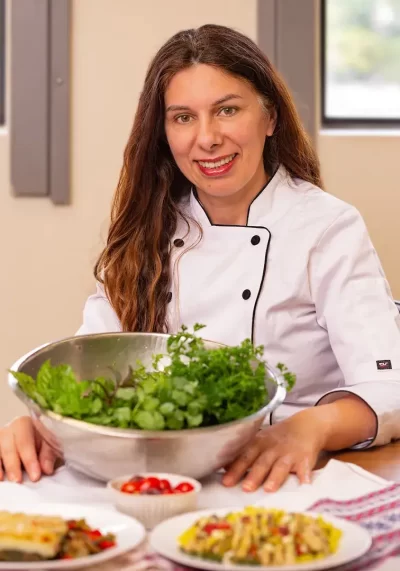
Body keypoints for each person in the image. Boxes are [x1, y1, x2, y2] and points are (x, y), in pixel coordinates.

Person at [2, 24, 400, 491]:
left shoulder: (326, 227)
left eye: (227, 110)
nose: (207, 138)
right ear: (164, 133)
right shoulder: (146, 228)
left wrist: (309, 427)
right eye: (183, 117)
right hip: (158, 475)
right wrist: (43, 423)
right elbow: (92, 363)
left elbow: (389, 384)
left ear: (269, 117)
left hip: (281, 474)